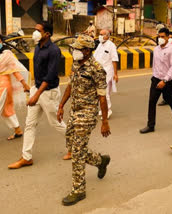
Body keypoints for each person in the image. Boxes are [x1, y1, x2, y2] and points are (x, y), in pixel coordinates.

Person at [57, 34, 111, 206]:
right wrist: (61, 105)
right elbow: (71, 85)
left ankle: (78, 190)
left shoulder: (96, 69)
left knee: (78, 153)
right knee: (73, 148)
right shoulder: (75, 64)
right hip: (74, 111)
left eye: (78, 49)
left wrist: (104, 122)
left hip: (87, 114)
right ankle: (101, 161)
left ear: (87, 51)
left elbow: (102, 97)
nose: (74, 51)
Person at [8, 22, 66, 169]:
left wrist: (36, 95)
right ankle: (26, 157)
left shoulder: (54, 50)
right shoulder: (37, 47)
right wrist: (32, 88)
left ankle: (76, 144)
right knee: (30, 124)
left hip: (48, 92)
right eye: (35, 29)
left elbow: (51, 75)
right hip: (38, 89)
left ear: (47, 34)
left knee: (56, 123)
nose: (35, 33)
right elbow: (39, 71)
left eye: (38, 30)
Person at [140, 28, 172, 134]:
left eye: (162, 36)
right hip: (156, 79)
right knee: (152, 102)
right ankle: (151, 125)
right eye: (159, 36)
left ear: (168, 37)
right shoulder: (156, 49)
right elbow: (155, 65)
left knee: (170, 101)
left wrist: (164, 80)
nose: (160, 38)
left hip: (167, 81)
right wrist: (155, 77)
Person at [94, 29, 119, 119]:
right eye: (99, 34)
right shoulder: (100, 45)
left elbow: (114, 60)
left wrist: (115, 74)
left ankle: (108, 110)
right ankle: (102, 108)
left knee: (105, 93)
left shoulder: (111, 46)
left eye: (102, 34)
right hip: (98, 72)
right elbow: (95, 57)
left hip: (107, 72)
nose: (100, 36)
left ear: (107, 36)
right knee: (99, 93)